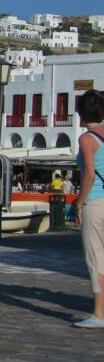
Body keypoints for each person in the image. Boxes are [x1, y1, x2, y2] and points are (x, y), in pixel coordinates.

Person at [73, 90, 104, 328]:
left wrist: (79, 202)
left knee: (96, 259)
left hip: (95, 203)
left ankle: (99, 314)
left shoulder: (86, 139)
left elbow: (89, 175)